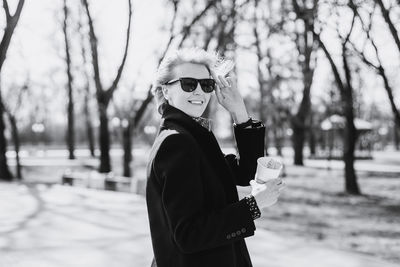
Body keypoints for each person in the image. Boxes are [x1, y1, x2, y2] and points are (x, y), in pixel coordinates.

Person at [146, 47, 285, 267]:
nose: (199, 92)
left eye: (207, 84)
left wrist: (239, 111)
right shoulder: (177, 143)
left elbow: (244, 174)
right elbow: (188, 234)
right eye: (188, 84)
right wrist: (254, 205)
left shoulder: (193, 138)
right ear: (166, 91)